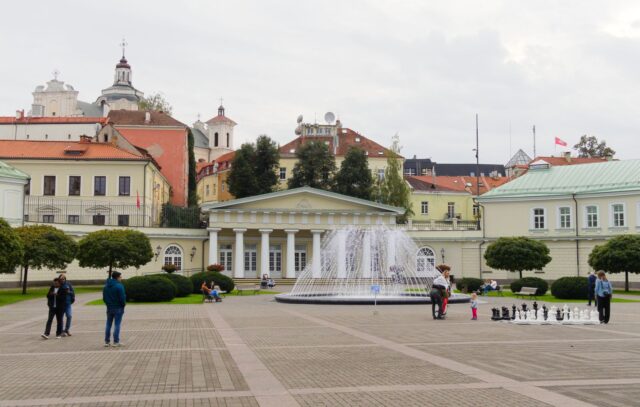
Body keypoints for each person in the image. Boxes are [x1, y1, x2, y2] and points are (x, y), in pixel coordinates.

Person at [103, 271, 126, 347]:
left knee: (108, 324)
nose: (121, 278)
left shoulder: (106, 286)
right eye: (120, 277)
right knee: (117, 324)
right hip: (118, 307)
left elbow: (104, 298)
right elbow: (122, 298)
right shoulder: (119, 286)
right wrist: (123, 305)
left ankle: (107, 341)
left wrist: (108, 304)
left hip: (109, 307)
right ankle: (116, 342)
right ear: (117, 277)